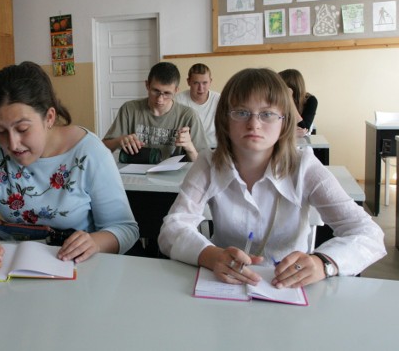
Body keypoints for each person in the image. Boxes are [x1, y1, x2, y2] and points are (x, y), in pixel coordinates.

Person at [158, 68, 385, 289]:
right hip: (226, 285)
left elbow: (369, 234)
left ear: (284, 121)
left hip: (289, 288)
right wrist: (210, 255)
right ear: (224, 120)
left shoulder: (304, 166)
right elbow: (172, 229)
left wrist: (323, 263)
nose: (254, 124)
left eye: (267, 114)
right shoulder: (209, 163)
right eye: (241, 112)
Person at [0, 61, 139, 270]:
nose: (12, 144)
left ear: (49, 117)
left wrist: (95, 242)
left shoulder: (89, 153)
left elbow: (125, 228)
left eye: (22, 129)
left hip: (77, 272)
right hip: (12, 270)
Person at [102, 62, 208, 161]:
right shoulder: (129, 109)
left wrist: (190, 148)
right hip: (135, 175)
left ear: (176, 91)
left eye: (167, 93)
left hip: (172, 178)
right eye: (155, 91)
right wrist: (119, 140)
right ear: (147, 85)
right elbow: (102, 148)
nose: (160, 99)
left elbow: (204, 163)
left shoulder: (188, 116)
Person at [175, 63, 220, 147]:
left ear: (210, 81)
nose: (201, 88)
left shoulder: (219, 100)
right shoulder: (178, 101)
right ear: (188, 82)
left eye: (205, 83)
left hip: (215, 148)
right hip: (187, 148)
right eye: (196, 83)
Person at [278, 69, 318, 137]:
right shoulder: (276, 99)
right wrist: (289, 133)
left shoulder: (311, 100)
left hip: (301, 144)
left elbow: (304, 128)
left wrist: (290, 100)